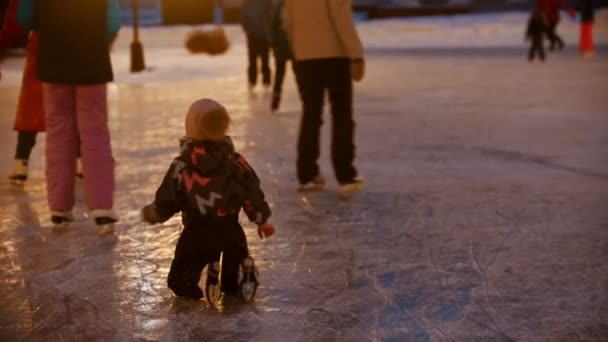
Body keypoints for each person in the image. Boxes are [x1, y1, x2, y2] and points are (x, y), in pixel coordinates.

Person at [141, 98, 276, 302]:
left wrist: (156, 212)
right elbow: (252, 192)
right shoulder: (236, 163)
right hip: (231, 229)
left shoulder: (183, 167)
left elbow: (170, 197)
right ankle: (239, 274)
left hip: (197, 232)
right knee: (233, 266)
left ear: (190, 129)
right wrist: (261, 219)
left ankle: (203, 275)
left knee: (180, 279)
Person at [17, 0, 121, 231]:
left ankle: (59, 208)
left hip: (53, 59)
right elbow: (113, 19)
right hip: (92, 60)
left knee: (58, 131)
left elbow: (25, 15)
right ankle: (102, 207)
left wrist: (48, 24)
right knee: (95, 131)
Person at [283, 0, 366, 192]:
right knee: (342, 114)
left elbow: (287, 20)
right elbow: (341, 19)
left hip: (305, 58)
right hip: (335, 56)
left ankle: (307, 173)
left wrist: (299, 49)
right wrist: (356, 55)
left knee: (310, 114)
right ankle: (346, 174)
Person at [0, 0, 43, 185]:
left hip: (43, 44)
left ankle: (21, 161)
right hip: (79, 45)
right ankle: (82, 159)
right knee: (76, 105)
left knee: (31, 105)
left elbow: (20, 16)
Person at [268, 0, 299, 112]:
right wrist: (274, 43)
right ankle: (275, 102)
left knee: (297, 74)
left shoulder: (282, 5)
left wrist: (273, 43)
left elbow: (272, 26)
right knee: (281, 75)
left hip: (290, 47)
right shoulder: (282, 6)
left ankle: (275, 103)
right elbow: (272, 26)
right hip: (287, 47)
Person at [240, 0, 274, 92]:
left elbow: (272, 17)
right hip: (254, 37)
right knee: (254, 60)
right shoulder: (248, 3)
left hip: (263, 37)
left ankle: (265, 81)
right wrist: (248, 30)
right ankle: (253, 81)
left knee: (264, 60)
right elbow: (244, 19)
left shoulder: (266, 3)